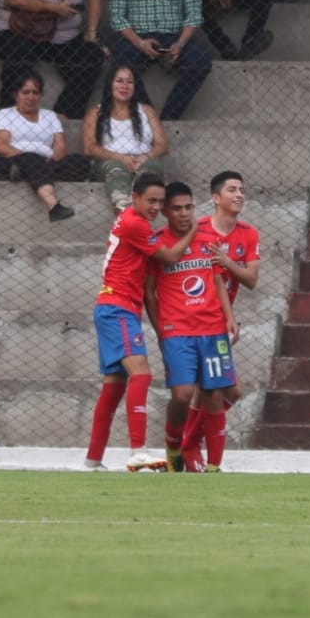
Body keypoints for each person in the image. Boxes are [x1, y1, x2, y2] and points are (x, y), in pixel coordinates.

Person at [86, 171, 199, 471]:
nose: (155, 207)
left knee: (113, 387)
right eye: (151, 200)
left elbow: (149, 287)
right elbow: (171, 257)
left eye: (160, 202)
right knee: (142, 374)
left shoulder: (131, 220)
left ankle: (93, 459)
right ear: (134, 197)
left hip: (116, 308)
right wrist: (193, 230)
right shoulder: (136, 224)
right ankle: (138, 451)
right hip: (117, 308)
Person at [145, 181, 239, 473]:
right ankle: (174, 448)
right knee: (182, 394)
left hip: (212, 328)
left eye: (188, 207)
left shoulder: (208, 237)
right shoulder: (157, 242)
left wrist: (229, 317)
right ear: (165, 212)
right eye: (177, 208)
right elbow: (149, 292)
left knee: (215, 395)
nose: (184, 214)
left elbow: (216, 280)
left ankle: (213, 468)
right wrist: (161, 329)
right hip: (178, 331)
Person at [176, 169, 260, 472]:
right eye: (232, 190)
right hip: (196, 322)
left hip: (219, 321)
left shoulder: (248, 233)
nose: (239, 195)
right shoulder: (195, 230)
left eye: (241, 190)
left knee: (216, 390)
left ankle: (190, 447)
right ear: (215, 198)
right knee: (225, 390)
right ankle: (192, 450)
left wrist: (227, 263)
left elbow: (250, 279)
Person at [0, 71, 91, 221]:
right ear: (16, 95)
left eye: (35, 92)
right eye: (26, 92)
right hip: (8, 162)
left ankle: (24, 174)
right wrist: (28, 158)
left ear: (41, 95)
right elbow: (0, 147)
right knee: (30, 159)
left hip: (45, 164)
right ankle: (54, 206)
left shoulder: (50, 116)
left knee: (80, 162)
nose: (31, 97)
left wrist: (43, 162)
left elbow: (60, 149)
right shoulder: (5, 115)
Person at [82, 64, 168, 212]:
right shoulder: (96, 112)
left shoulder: (146, 111)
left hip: (143, 161)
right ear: (110, 84)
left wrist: (145, 157)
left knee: (152, 168)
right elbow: (89, 148)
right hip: (110, 162)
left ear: (135, 86)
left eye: (129, 82)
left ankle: (143, 211)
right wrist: (121, 158)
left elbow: (162, 144)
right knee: (116, 169)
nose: (124, 86)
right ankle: (125, 211)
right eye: (119, 81)